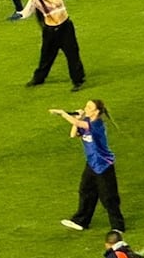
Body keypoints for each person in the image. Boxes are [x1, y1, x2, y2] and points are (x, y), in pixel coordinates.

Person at [49, 99, 125, 232]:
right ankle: (81, 221)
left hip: (103, 165)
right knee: (86, 191)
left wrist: (63, 114)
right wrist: (78, 118)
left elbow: (79, 124)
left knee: (108, 197)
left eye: (89, 107)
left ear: (96, 111)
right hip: (91, 163)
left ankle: (118, 226)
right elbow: (73, 134)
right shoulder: (86, 122)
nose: (86, 109)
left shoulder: (97, 125)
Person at [16, 0, 86, 92]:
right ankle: (39, 78)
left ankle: (78, 80)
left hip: (66, 28)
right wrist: (31, 1)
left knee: (72, 54)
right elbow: (25, 14)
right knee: (46, 57)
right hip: (50, 32)